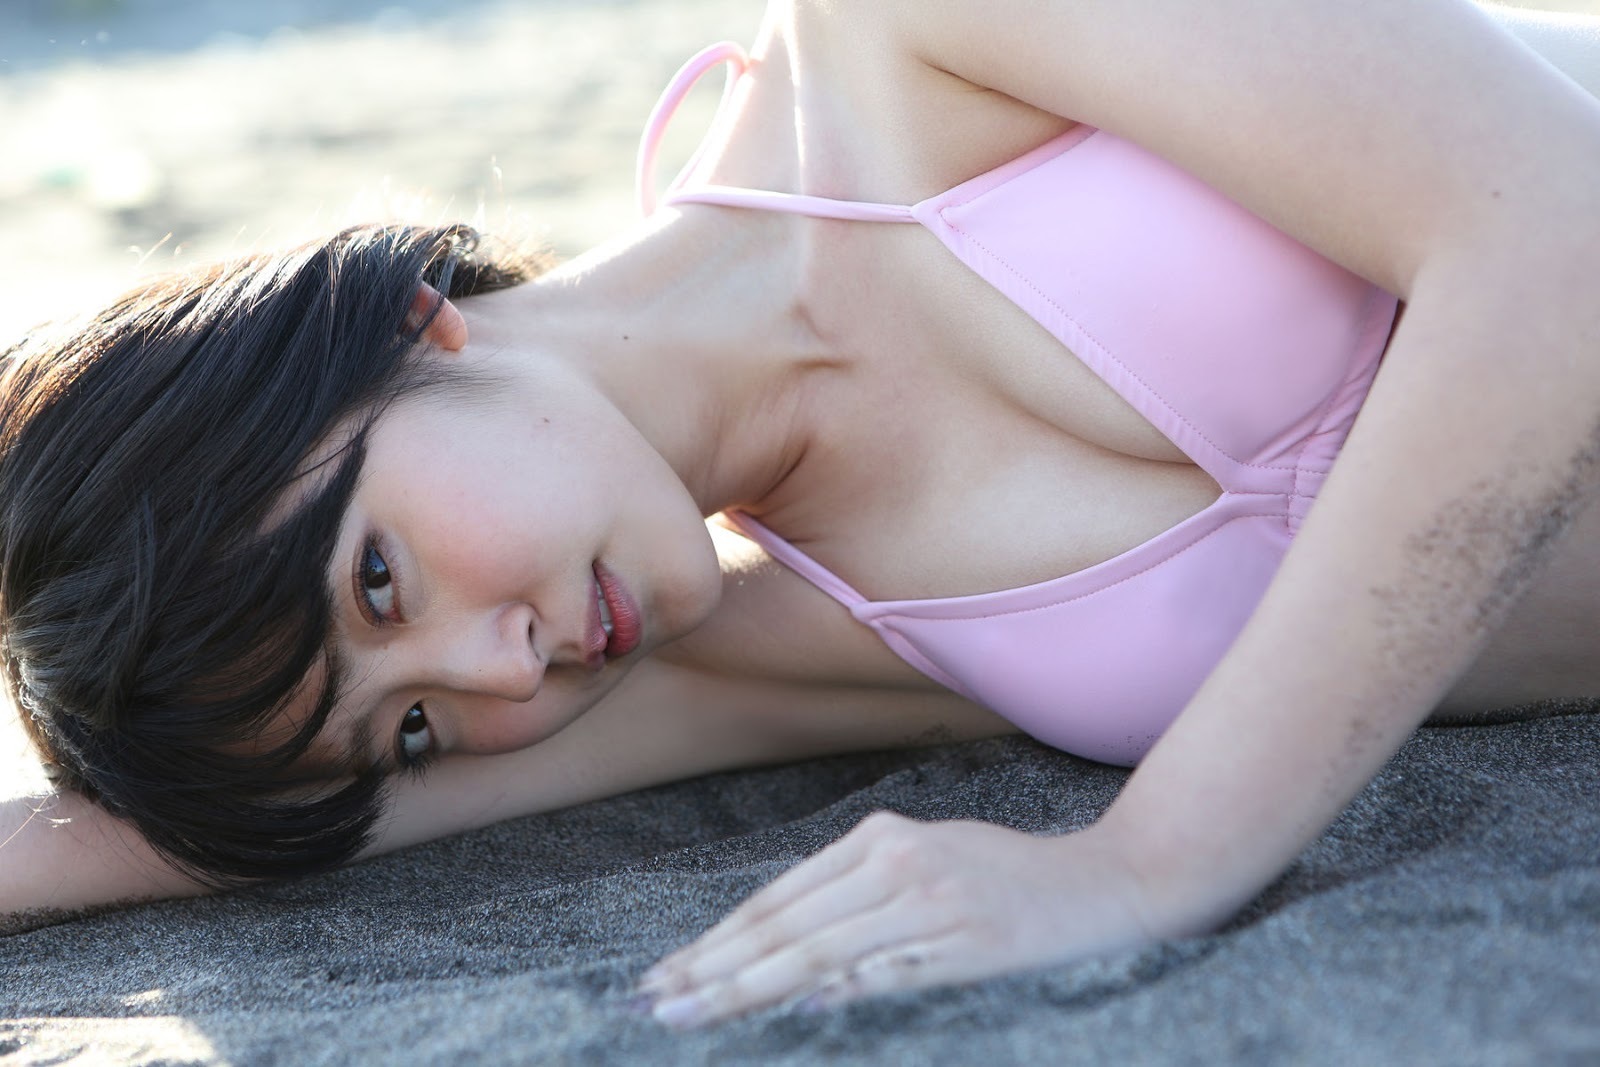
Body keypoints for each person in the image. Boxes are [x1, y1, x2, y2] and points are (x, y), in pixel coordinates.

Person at [4, 0, 1599, 1030]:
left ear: (404, 331)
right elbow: (184, 839)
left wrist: (1150, 857)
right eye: (410, 728)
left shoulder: (900, 45)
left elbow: (1551, 224)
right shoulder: (793, 646)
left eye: (375, 581)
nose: (497, 680)